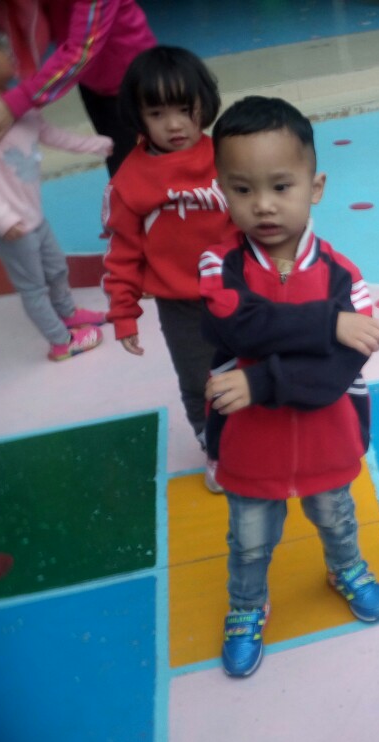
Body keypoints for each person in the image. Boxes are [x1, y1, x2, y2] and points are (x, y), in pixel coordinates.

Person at [199, 96, 379, 678]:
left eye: (281, 186)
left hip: (327, 438)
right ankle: (246, 604)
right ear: (221, 190)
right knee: (249, 541)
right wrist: (328, 325)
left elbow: (338, 373)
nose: (263, 204)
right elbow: (238, 324)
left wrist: (259, 380)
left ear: (316, 186)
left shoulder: (344, 275)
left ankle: (345, 568)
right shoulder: (218, 265)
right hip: (250, 447)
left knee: (337, 518)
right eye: (242, 189)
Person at [101, 45, 234, 491]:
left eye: (184, 109)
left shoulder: (228, 156)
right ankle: (214, 446)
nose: (174, 124)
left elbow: (258, 213)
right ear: (138, 116)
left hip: (239, 290)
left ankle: (260, 429)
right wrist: (123, 312)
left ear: (204, 104)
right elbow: (123, 253)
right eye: (157, 113)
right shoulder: (130, 181)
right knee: (199, 380)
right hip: (181, 305)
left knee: (252, 363)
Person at [0, 28, 111, 361]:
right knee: (33, 287)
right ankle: (60, 342)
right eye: (1, 50)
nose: (10, 54)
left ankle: (67, 313)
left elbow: (52, 134)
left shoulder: (19, 106)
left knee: (56, 268)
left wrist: (95, 145)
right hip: (11, 226)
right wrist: (2, 219)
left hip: (35, 215)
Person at [0, 0, 156, 175]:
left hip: (133, 83)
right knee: (122, 168)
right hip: (92, 81)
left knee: (141, 169)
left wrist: (17, 101)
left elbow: (82, 50)